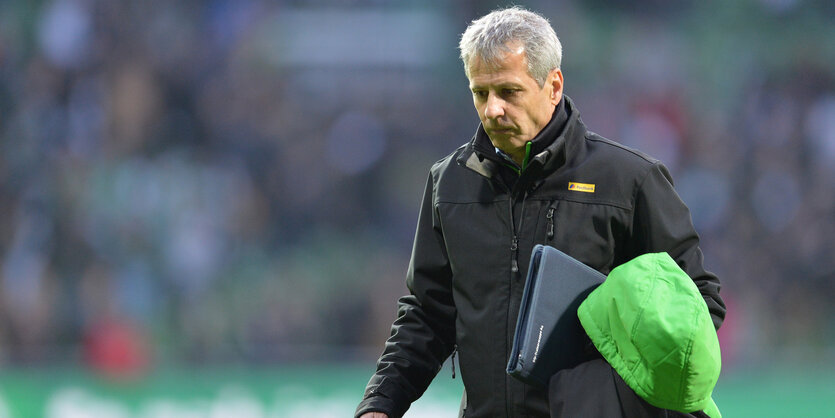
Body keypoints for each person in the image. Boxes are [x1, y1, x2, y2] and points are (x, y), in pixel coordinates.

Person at [356, 6, 725, 418]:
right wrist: (381, 403)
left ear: (553, 86)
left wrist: (608, 395)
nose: (492, 109)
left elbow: (697, 309)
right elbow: (427, 314)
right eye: (480, 93)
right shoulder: (450, 183)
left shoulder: (630, 180)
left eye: (509, 92)